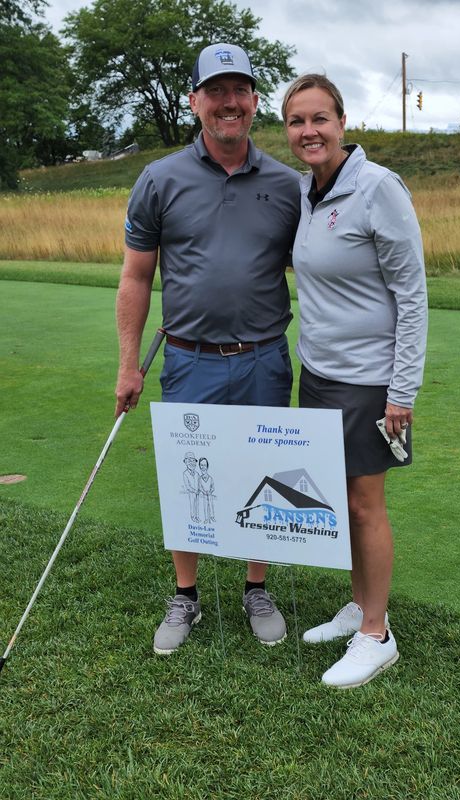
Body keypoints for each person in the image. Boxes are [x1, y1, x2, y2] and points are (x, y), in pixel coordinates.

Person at [115, 43, 300, 655]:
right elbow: (137, 276)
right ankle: (186, 595)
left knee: (263, 479)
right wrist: (126, 362)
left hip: (264, 357)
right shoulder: (159, 179)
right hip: (189, 358)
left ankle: (256, 588)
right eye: (215, 91)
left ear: (253, 101)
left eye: (240, 90)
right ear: (194, 101)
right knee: (185, 477)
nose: (229, 102)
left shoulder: (285, 182)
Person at [281, 74, 428, 688]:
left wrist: (403, 390)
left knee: (366, 506)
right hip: (318, 374)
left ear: (341, 123)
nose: (309, 131)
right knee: (340, 502)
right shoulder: (305, 191)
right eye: (297, 122)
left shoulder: (376, 187)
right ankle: (362, 603)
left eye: (320, 119)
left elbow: (412, 294)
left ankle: (377, 635)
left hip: (370, 382)